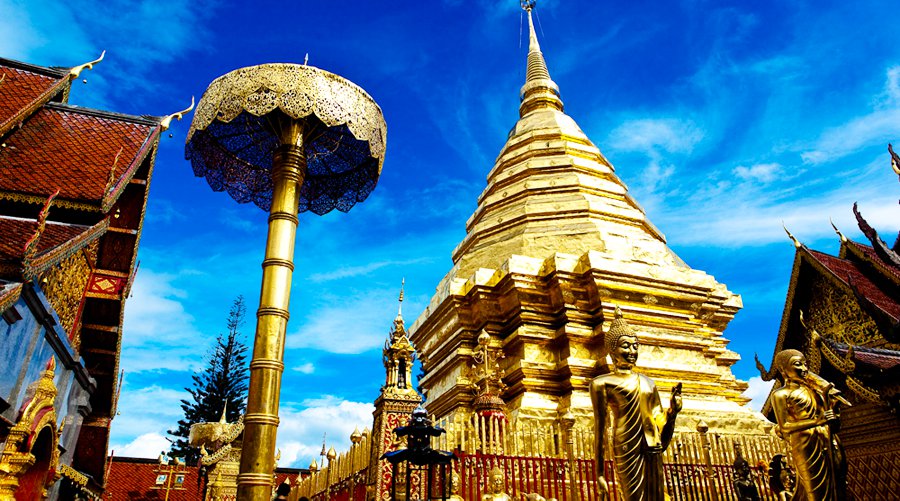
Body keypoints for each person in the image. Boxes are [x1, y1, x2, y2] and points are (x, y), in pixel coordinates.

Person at [590, 307, 682, 501]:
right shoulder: (602, 383)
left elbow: (658, 420)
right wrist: (599, 473)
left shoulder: (649, 383)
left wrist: (673, 411)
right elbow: (599, 429)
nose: (632, 351)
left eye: (635, 346)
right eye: (625, 346)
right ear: (612, 350)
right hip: (625, 445)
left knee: (655, 496)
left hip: (651, 445)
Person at [764, 350, 844, 501]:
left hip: (827, 438)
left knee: (838, 485)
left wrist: (833, 412)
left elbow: (831, 419)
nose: (804, 369)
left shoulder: (815, 391)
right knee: (815, 492)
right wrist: (816, 422)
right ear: (782, 370)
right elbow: (785, 426)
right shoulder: (780, 394)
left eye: (805, 364)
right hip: (805, 444)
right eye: (797, 364)